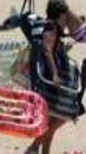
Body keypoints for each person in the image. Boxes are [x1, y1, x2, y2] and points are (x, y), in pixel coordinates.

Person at [26, 20, 67, 154]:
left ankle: (37, 148)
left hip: (46, 87)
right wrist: (55, 74)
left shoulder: (44, 41)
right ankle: (34, 147)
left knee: (50, 124)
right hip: (48, 88)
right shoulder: (47, 38)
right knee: (58, 120)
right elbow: (47, 52)